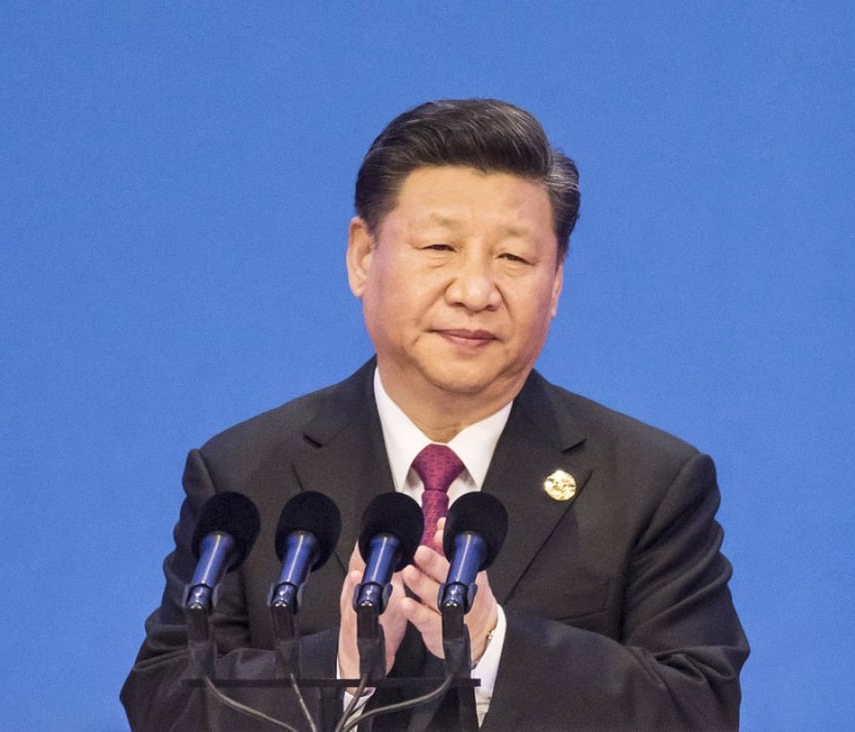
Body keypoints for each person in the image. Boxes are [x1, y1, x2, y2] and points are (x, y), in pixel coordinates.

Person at [121, 98, 749, 731]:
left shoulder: (649, 484)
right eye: (441, 246)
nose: (475, 291)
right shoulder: (246, 470)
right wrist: (339, 666)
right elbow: (164, 704)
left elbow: (699, 709)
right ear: (363, 255)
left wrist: (495, 646)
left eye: (514, 259)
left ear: (555, 282)